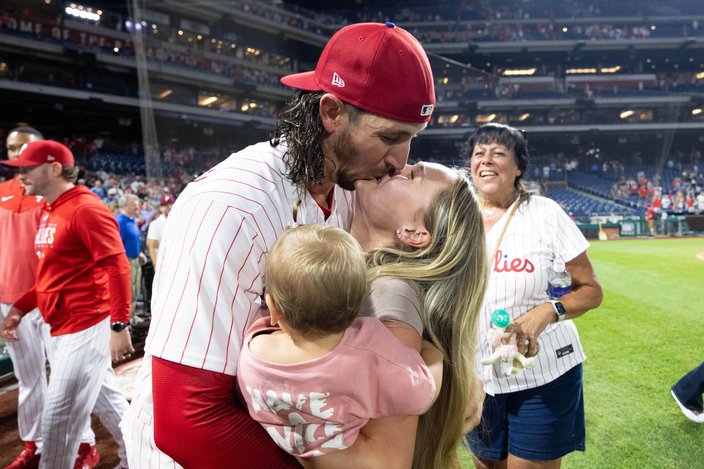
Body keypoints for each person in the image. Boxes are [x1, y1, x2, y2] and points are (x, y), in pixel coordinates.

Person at [121, 21, 436, 469]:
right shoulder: (232, 206)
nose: (399, 160)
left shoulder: (348, 188)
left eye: (410, 138)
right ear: (331, 113)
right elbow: (187, 417)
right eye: (389, 136)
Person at [463, 123, 603, 469]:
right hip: (478, 373)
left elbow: (591, 291)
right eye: (479, 153)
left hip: (543, 373)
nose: (486, 160)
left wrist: (549, 310)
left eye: (498, 153)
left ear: (518, 167)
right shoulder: (456, 217)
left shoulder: (545, 214)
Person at [238, 224, 440, 458]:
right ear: (357, 308)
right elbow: (421, 397)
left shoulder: (255, 352)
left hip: (286, 453)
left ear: (273, 309)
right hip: (347, 453)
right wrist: (435, 358)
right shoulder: (368, 351)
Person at [0, 140, 134, 469]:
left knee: (58, 421)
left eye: (28, 168)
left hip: (84, 324)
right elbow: (51, 276)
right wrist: (20, 308)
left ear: (55, 169)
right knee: (110, 404)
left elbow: (117, 267)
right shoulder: (49, 210)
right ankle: (143, 458)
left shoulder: (85, 207)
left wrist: (119, 324)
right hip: (61, 325)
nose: (21, 175)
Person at [1, 126, 46, 469]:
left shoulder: (52, 193)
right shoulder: (0, 192)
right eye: (11, 148)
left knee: (73, 376)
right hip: (11, 301)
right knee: (29, 378)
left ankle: (82, 442)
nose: (17, 154)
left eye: (23, 147)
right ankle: (35, 443)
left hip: (53, 298)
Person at [115, 193, 146, 324]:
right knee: (128, 293)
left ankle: (132, 318)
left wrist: (139, 253)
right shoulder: (120, 221)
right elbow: (117, 244)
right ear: (126, 205)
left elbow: (134, 240)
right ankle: (126, 322)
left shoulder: (132, 219)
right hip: (126, 261)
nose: (138, 206)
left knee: (135, 290)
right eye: (135, 204)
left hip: (135, 260)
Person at [145, 193, 175, 266]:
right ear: (160, 208)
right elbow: (152, 247)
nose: (169, 207)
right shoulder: (155, 224)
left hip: (177, 261)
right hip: (164, 263)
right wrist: (156, 266)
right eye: (165, 205)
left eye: (171, 204)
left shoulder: (179, 220)